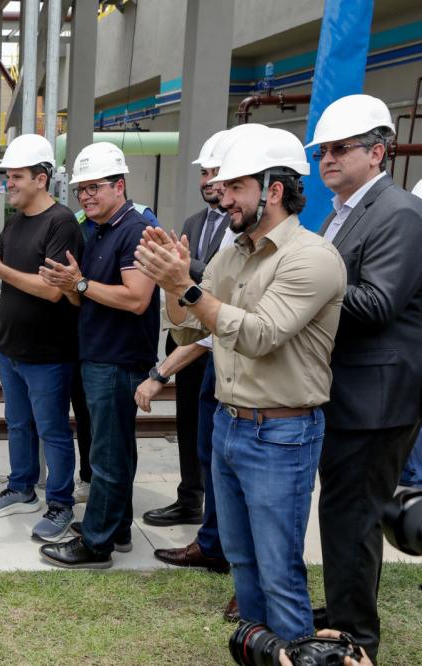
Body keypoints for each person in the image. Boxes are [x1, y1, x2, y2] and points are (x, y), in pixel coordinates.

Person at [135, 126, 346, 640]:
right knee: (244, 564)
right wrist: (174, 282)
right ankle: (261, 647)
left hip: (281, 434)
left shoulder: (310, 257)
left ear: (273, 190)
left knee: (278, 568)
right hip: (230, 426)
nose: (221, 196)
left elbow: (259, 334)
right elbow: (187, 325)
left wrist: (184, 286)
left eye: (235, 187)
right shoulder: (235, 252)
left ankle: (294, 649)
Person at [305, 94, 422, 661]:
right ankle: (345, 608)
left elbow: (377, 302)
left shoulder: (397, 211)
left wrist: (298, 290)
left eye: (339, 149)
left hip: (376, 397)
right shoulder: (344, 210)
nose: (327, 159)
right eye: (322, 150)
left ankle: (356, 640)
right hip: (348, 390)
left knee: (355, 514)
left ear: (377, 152)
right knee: (343, 513)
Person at [38, 142, 160, 568]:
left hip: (118, 359)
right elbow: (83, 298)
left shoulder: (136, 228)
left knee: (107, 455)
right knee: (113, 451)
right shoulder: (98, 229)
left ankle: (96, 543)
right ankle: (116, 525)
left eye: (94, 187)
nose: (86, 197)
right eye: (80, 190)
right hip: (99, 354)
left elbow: (136, 299)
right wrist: (72, 286)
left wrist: (82, 285)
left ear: (119, 185)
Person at [0, 134, 82, 542]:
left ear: (42, 179)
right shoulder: (14, 223)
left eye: (16, 177)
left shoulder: (61, 222)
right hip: (11, 348)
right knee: (17, 424)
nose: (8, 184)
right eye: (8, 177)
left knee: (52, 431)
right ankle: (21, 488)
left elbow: (52, 290)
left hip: (48, 352)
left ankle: (61, 504)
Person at [143, 130, 230, 528]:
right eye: (204, 173)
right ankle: (189, 498)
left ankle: (216, 511)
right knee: (189, 425)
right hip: (186, 337)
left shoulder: (242, 223)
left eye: (215, 172)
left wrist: (184, 267)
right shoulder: (195, 221)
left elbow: (209, 276)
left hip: (219, 341)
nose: (207, 181)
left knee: (214, 432)